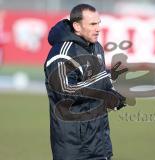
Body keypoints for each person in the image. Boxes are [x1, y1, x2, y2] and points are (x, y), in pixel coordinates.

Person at [44, 4, 126, 160]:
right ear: (77, 26)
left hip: (100, 142)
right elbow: (65, 91)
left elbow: (99, 87)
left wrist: (112, 97)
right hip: (73, 146)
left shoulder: (96, 48)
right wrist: (103, 77)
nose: (98, 28)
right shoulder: (62, 53)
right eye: (92, 24)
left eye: (99, 23)